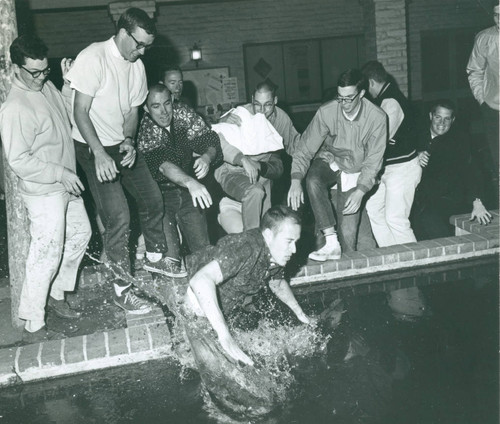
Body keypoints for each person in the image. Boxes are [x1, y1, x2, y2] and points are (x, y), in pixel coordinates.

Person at [65, 8, 182, 315]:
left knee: (153, 199)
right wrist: (101, 154)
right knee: (119, 216)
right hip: (90, 147)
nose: (141, 51)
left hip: (119, 144)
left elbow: (131, 113)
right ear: (123, 32)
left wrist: (128, 141)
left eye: (146, 46)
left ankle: (156, 261)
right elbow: (79, 111)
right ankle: (121, 290)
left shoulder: (137, 67)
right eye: (139, 44)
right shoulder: (93, 58)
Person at [0, 35, 92, 343]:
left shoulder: (46, 85)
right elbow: (18, 160)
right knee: (45, 252)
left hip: (65, 182)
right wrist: (59, 172)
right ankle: (33, 325)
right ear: (17, 68)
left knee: (81, 234)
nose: (40, 77)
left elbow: (65, 117)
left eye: (44, 70)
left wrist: (66, 86)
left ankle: (56, 292)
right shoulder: (14, 107)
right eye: (34, 72)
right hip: (44, 189)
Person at [185, 205, 314, 366]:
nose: (294, 250)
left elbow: (278, 283)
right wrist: (225, 336)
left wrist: (300, 314)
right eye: (289, 241)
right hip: (198, 302)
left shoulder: (276, 251)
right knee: (213, 366)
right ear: (268, 234)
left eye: (296, 242)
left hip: (228, 306)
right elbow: (200, 280)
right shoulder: (246, 246)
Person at [288, 69, 386, 261]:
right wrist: (295, 179)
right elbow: (304, 148)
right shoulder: (327, 111)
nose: (344, 104)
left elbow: (374, 161)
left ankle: (351, 272)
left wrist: (360, 191)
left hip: (356, 173)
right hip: (332, 164)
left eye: (349, 98)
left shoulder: (377, 117)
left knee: (348, 234)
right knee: (313, 179)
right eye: (340, 98)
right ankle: (330, 239)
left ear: (362, 94)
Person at [136, 84, 223, 263]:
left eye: (167, 103)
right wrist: (191, 182)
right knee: (170, 259)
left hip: (187, 192)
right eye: (155, 106)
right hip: (158, 197)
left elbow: (210, 140)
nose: (164, 111)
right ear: (146, 108)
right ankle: (146, 250)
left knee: (204, 254)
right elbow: (163, 166)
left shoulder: (183, 113)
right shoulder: (144, 128)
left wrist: (206, 156)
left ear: (173, 101)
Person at [215, 81, 301, 232]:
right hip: (232, 170)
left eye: (267, 105)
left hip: (260, 178)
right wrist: (242, 159)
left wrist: (321, 153)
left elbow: (297, 146)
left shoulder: (281, 118)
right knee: (255, 196)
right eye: (257, 104)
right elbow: (217, 139)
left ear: (275, 101)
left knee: (266, 229)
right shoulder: (240, 115)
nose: (261, 111)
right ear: (252, 99)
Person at [411, 100, 492, 240]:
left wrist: (477, 201)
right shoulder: (415, 135)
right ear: (431, 116)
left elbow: (472, 171)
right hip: (414, 198)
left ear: (452, 120)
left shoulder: (459, 141)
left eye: (447, 118)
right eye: (438, 117)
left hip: (444, 201)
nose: (441, 123)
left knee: (431, 224)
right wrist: (414, 156)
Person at [361, 61, 421, 247]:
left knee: (396, 219)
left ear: (371, 82)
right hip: (387, 169)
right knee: (374, 211)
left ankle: (415, 266)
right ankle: (393, 258)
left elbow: (380, 139)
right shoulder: (385, 98)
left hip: (402, 168)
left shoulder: (391, 101)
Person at [466, 1, 499, 169]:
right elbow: (474, 70)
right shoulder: (484, 38)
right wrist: (482, 100)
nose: (499, 20)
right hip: (493, 110)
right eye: (496, 15)